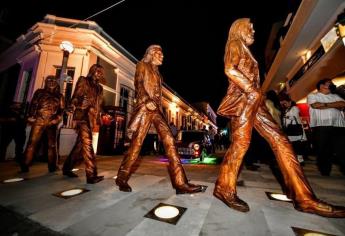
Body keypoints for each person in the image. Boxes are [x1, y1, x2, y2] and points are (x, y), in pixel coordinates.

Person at [215, 18, 345, 217]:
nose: (253, 30)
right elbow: (229, 69)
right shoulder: (234, 44)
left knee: (281, 141)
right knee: (241, 145)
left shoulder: (244, 48)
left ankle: (304, 198)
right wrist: (252, 90)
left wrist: (256, 94)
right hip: (243, 101)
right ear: (239, 29)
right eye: (250, 27)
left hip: (254, 102)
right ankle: (224, 189)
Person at [115, 45, 202, 194]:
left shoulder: (158, 74)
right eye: (159, 54)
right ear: (151, 54)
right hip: (145, 109)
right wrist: (146, 98)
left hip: (157, 111)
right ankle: (122, 178)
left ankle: (180, 183)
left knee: (170, 142)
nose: (162, 57)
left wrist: (156, 105)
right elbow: (139, 84)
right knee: (136, 147)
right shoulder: (142, 65)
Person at [62, 64, 105, 184]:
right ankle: (91, 175)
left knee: (80, 146)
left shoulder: (100, 88)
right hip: (81, 115)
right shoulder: (84, 80)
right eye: (97, 71)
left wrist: (103, 113)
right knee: (88, 143)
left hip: (91, 118)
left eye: (101, 72)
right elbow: (76, 96)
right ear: (92, 71)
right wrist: (73, 105)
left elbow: (98, 105)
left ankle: (67, 168)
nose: (99, 73)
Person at [20, 75, 64, 172]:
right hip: (39, 120)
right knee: (32, 143)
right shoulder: (39, 92)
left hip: (52, 122)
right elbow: (33, 104)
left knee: (52, 145)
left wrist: (57, 118)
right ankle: (25, 165)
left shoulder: (60, 96)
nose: (51, 82)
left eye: (54, 80)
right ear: (46, 82)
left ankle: (53, 166)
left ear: (56, 83)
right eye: (49, 80)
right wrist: (30, 115)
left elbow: (61, 110)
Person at [307, 79, 345, 176]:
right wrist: (335, 105)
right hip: (321, 127)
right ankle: (325, 171)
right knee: (323, 150)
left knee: (341, 149)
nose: (332, 85)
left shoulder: (336, 96)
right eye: (329, 83)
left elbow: (342, 104)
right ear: (321, 86)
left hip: (339, 126)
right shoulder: (313, 96)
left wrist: (325, 105)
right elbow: (316, 105)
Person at [281, 98, 307, 164]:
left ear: (290, 102)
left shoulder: (294, 108)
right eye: (284, 103)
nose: (284, 104)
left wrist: (285, 116)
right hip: (290, 129)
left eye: (285, 103)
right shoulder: (287, 109)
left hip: (294, 129)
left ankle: (300, 160)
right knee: (293, 145)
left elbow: (294, 117)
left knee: (296, 145)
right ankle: (295, 159)